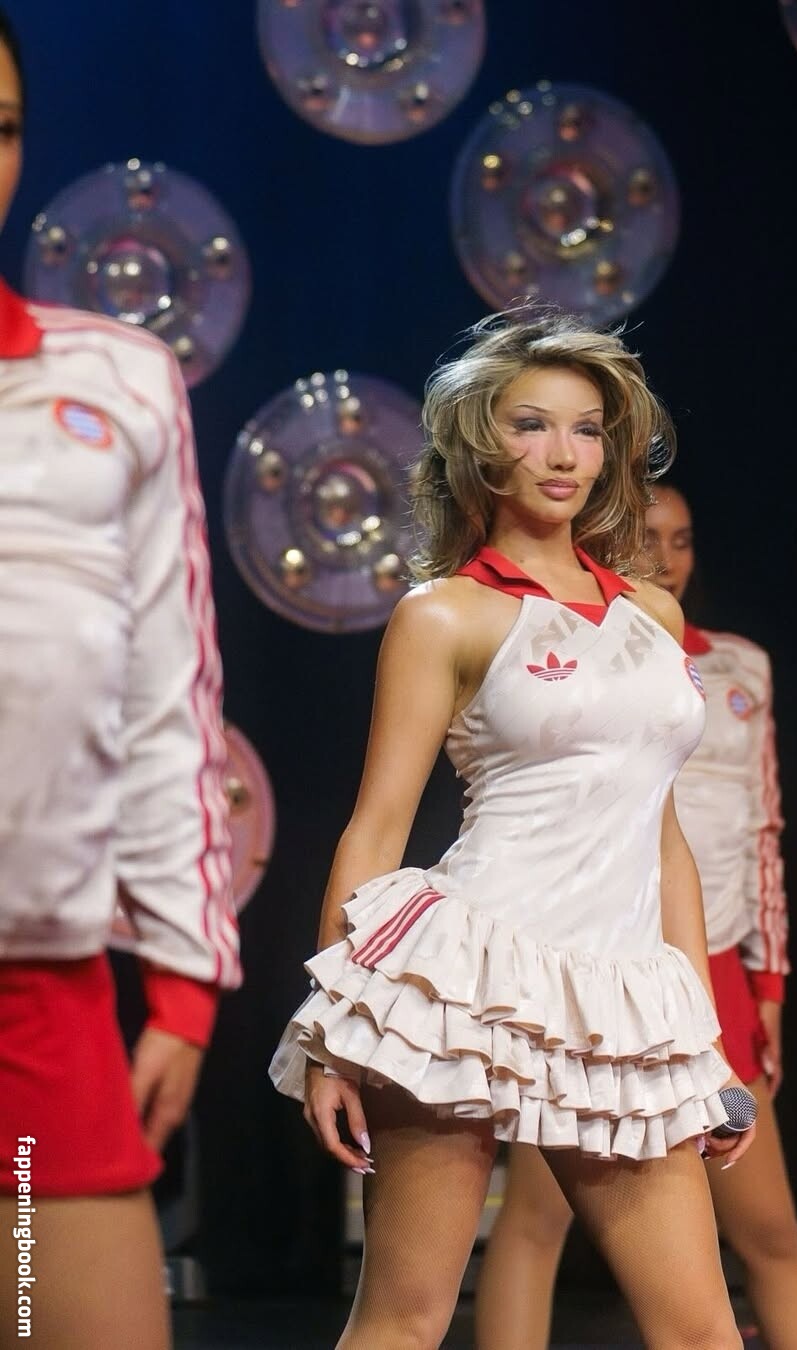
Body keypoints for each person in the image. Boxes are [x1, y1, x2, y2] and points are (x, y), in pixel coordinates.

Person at [270, 310, 758, 1350]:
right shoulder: (443, 614)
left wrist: (707, 1044)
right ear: (482, 444)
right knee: (402, 1321)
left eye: (586, 430)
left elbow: (663, 837)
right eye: (532, 425)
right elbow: (376, 829)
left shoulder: (654, 615)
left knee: (704, 1332)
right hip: (465, 982)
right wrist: (329, 1033)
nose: (563, 453)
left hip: (622, 1004)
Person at [0, 11, 241, 1348]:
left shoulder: (121, 383)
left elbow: (165, 702)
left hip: (40, 1001)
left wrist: (185, 978)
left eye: (0, 128)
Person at [475, 483, 797, 1350]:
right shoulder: (558, 645)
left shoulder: (742, 668)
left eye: (682, 539)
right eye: (648, 536)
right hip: (593, 955)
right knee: (536, 1218)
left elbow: (761, 831)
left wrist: (767, 983)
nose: (667, 556)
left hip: (709, 966)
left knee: (768, 1231)